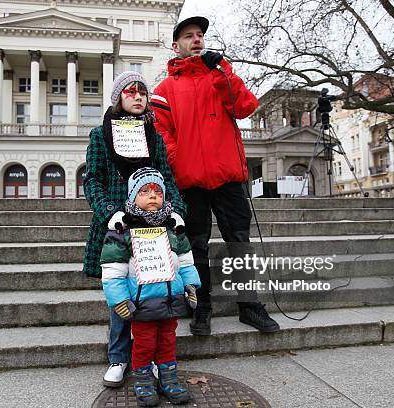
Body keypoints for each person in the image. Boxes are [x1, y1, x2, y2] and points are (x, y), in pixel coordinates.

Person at [151, 16, 280, 336]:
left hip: (228, 177)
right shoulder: (165, 88)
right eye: (188, 36)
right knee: (196, 244)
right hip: (189, 181)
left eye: (200, 35)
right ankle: (202, 306)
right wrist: (179, 161)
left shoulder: (221, 73)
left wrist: (223, 72)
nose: (196, 39)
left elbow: (245, 107)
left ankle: (250, 305)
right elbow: (160, 132)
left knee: (240, 240)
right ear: (176, 45)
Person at [82, 71, 187, 388]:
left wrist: (178, 211)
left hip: (152, 228)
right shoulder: (100, 136)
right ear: (118, 98)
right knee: (120, 299)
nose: (139, 96)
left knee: (153, 293)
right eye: (131, 91)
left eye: (143, 91)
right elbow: (93, 181)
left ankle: (153, 358)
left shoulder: (153, 136)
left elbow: (166, 178)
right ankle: (119, 357)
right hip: (118, 226)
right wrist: (108, 212)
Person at [100, 167, 201, 406]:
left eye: (157, 190)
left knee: (168, 342)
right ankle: (143, 381)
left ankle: (168, 379)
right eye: (145, 191)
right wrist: (120, 300)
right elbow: (113, 271)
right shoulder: (122, 232)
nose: (153, 195)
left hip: (171, 300)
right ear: (133, 197)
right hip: (141, 303)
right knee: (144, 345)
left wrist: (191, 286)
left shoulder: (173, 229)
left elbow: (185, 261)